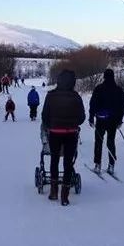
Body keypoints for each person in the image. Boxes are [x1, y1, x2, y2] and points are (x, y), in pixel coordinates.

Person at [42, 70, 85, 206]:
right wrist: (73, 122)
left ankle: (54, 191)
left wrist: (50, 125)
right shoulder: (76, 96)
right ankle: (64, 196)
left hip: (54, 132)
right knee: (68, 163)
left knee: (54, 159)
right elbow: (82, 117)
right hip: (71, 133)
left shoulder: (50, 96)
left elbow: (44, 116)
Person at [88, 69, 124, 175]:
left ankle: (97, 164)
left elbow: (93, 104)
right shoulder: (119, 90)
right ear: (113, 77)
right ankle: (111, 165)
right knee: (111, 142)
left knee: (98, 142)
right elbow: (123, 106)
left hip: (101, 119)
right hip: (113, 121)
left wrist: (91, 117)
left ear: (104, 77)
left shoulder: (99, 88)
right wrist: (119, 120)